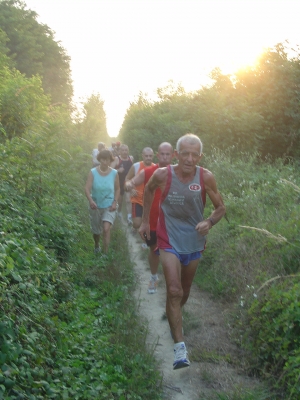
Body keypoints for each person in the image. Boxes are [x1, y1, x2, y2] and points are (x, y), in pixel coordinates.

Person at [139, 133, 226, 370]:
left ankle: (173, 314)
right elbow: (148, 190)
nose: (189, 159)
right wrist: (145, 221)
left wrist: (209, 222)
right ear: (176, 155)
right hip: (168, 239)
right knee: (174, 290)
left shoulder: (206, 177)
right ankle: (179, 349)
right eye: (184, 153)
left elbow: (220, 208)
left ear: (200, 156)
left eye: (194, 154)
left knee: (183, 293)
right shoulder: (163, 174)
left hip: (194, 242)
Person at [125, 142, 174, 294]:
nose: (165, 157)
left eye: (168, 154)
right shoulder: (149, 171)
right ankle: (153, 277)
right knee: (153, 249)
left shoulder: (178, 173)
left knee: (172, 252)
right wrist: (129, 185)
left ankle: (172, 283)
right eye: (162, 154)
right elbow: (131, 181)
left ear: (172, 155)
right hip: (152, 219)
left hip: (171, 221)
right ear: (158, 156)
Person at [85, 149, 120, 254]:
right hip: (95, 205)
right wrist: (91, 201)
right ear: (99, 159)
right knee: (96, 231)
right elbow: (87, 188)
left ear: (110, 161)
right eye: (103, 160)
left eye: (107, 160)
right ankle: (97, 245)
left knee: (106, 228)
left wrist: (115, 202)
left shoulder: (114, 173)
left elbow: (118, 189)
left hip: (109, 205)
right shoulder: (93, 172)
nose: (105, 162)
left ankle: (105, 253)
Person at [125, 147, 154, 232]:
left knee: (149, 223)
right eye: (146, 156)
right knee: (137, 223)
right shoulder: (136, 166)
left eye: (150, 156)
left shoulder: (156, 168)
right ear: (142, 156)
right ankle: (134, 228)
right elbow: (127, 179)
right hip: (137, 199)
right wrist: (130, 189)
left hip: (150, 200)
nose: (148, 158)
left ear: (153, 156)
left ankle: (145, 242)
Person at [111, 144, 134, 222]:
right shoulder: (117, 159)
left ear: (128, 151)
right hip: (119, 181)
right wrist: (118, 170)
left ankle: (129, 218)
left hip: (128, 181)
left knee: (128, 200)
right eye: (123, 150)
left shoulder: (131, 158)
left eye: (126, 150)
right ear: (120, 151)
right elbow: (110, 169)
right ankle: (119, 212)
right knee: (120, 201)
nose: (124, 152)